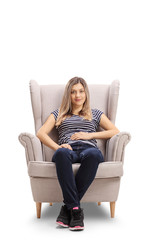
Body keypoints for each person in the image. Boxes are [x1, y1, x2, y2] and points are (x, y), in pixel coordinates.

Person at [36, 77, 119, 231]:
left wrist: (90, 136)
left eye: (81, 91)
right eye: (73, 92)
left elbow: (115, 131)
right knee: (61, 154)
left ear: (86, 94)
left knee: (94, 155)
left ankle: (68, 209)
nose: (77, 95)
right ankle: (76, 211)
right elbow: (41, 133)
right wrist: (57, 146)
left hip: (89, 150)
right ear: (69, 95)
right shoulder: (59, 113)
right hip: (68, 150)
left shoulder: (95, 113)